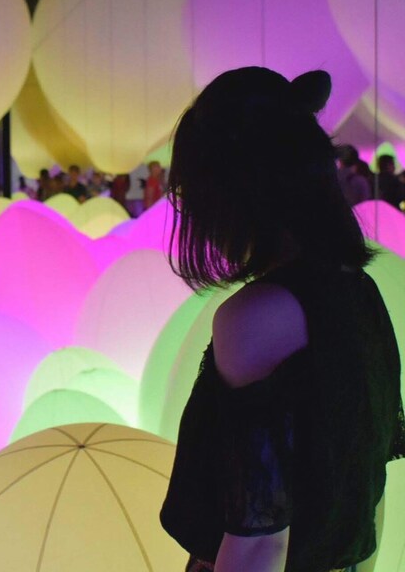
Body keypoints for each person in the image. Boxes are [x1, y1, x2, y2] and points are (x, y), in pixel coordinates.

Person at [160, 67, 405, 572]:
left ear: (230, 193)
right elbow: (369, 495)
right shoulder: (362, 295)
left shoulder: (257, 319)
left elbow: (259, 540)